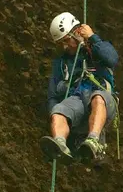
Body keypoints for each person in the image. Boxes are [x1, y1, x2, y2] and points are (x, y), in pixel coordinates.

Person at [41, 12, 119, 164]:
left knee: (98, 98)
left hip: (102, 98)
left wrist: (92, 37)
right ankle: (60, 144)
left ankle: (94, 141)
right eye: (60, 43)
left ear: (77, 33)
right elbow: (52, 97)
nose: (64, 47)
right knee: (58, 111)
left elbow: (112, 59)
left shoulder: (96, 49)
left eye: (66, 41)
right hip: (78, 100)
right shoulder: (62, 63)